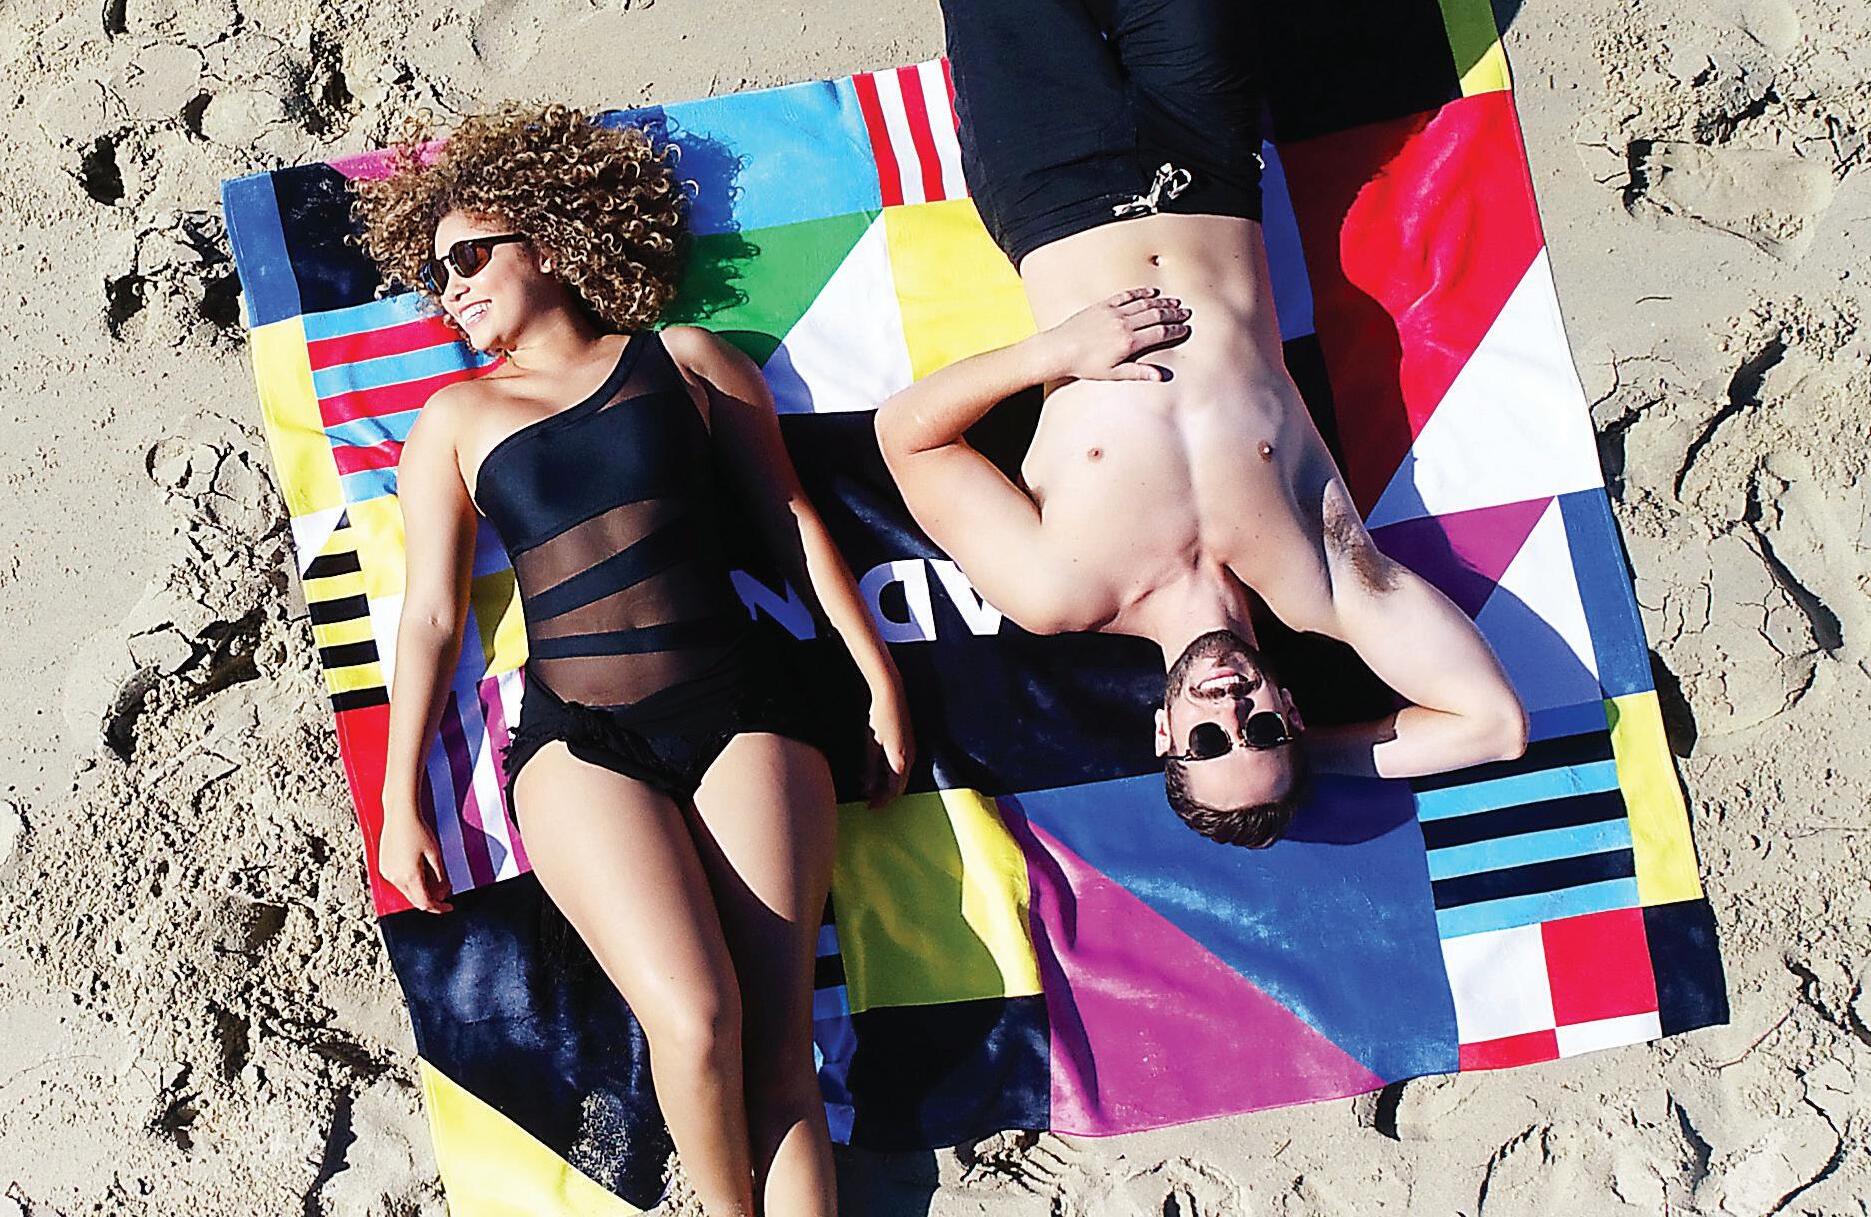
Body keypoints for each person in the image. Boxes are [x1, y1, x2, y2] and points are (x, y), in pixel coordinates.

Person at [353, 102, 912, 1217]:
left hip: (745, 710)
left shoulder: (687, 361)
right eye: (435, 273)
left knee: (779, 1039)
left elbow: (793, 526)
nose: (450, 288)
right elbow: (430, 618)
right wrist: (398, 801)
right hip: (582, 740)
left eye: (468, 256)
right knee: (695, 1019)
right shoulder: (454, 418)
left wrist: (880, 685)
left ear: (549, 240)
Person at [875, 0, 1528, 849]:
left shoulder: (1059, 590)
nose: (1230, 710)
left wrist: (1056, 352)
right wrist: (1313, 755)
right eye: (1262, 731)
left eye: (1208, 742)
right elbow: (1491, 726)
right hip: (1208, 163)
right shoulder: (1320, 578)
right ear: (1290, 710)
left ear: (1163, 731)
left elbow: (907, 436)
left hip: (1052, 188)